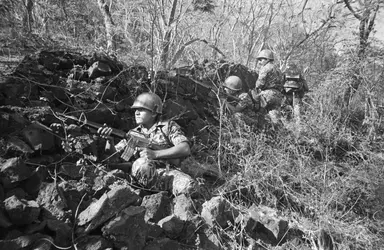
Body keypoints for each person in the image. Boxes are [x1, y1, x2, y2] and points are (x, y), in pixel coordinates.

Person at [98, 92, 197, 197]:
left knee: (190, 187)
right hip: (142, 173)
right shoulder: (132, 134)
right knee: (142, 164)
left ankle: (164, 196)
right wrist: (109, 141)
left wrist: (155, 154)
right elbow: (117, 158)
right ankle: (146, 193)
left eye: (141, 109)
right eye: (135, 110)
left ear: (154, 113)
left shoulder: (168, 127)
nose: (136, 113)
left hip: (167, 172)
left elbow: (185, 148)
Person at [252, 49, 284, 123]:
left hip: (267, 94)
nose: (260, 62)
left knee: (258, 113)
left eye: (261, 59)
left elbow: (259, 84)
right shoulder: (278, 69)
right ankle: (279, 132)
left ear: (267, 59)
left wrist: (255, 90)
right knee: (275, 117)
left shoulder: (265, 68)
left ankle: (259, 131)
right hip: (278, 95)